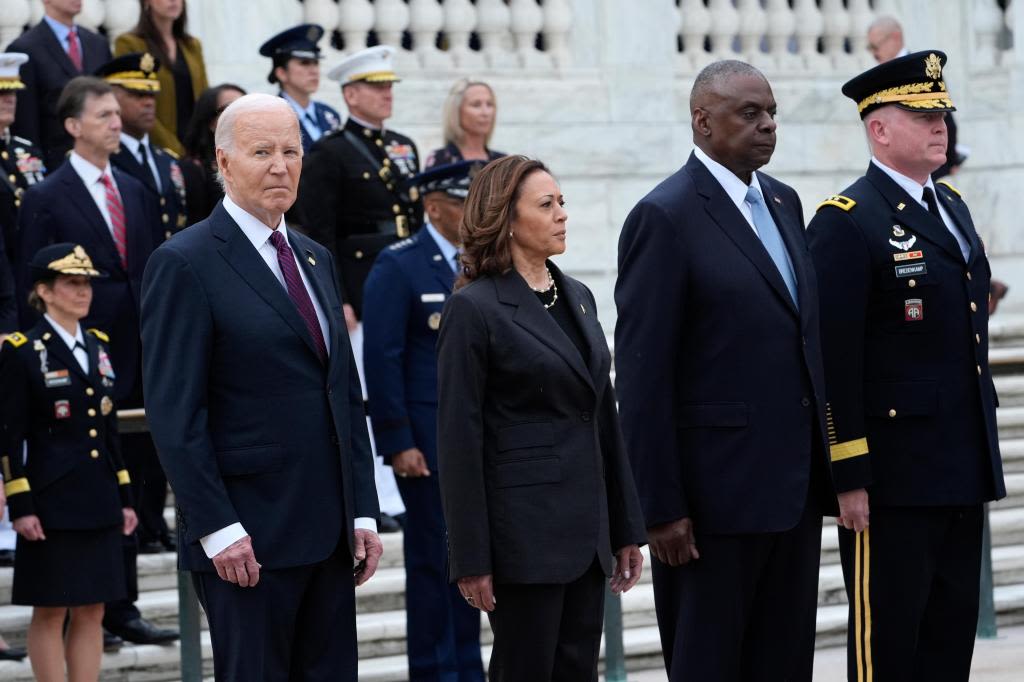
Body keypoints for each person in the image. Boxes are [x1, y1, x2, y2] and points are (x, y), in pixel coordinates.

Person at [140, 93, 383, 681]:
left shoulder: (315, 257)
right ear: (223, 163)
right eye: (262, 152)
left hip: (328, 535)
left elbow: (343, 395)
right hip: (246, 539)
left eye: (291, 151)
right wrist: (218, 528)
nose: (281, 165)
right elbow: (176, 415)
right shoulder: (186, 261)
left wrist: (364, 512)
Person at [614, 60, 836, 681]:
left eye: (771, 114)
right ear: (702, 121)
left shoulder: (786, 203)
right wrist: (659, 507)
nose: (767, 126)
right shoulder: (665, 215)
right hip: (710, 506)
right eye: (750, 114)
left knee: (784, 663)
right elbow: (642, 374)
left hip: (789, 492)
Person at [807, 50, 1006, 682]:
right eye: (921, 114)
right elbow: (832, 357)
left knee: (949, 643)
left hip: (959, 461)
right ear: (879, 129)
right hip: (891, 476)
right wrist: (849, 472)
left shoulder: (950, 207)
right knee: (888, 645)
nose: (940, 124)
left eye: (942, 113)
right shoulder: (847, 220)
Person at [436, 155, 646, 681]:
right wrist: (470, 557)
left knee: (578, 671)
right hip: (522, 537)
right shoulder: (474, 309)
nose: (562, 215)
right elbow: (459, 441)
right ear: (506, 219)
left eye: (563, 203)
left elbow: (602, 416)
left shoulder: (577, 296)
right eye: (546, 205)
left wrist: (624, 527)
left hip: (586, 530)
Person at [14, 75, 177, 648]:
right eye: (104, 115)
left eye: (117, 113)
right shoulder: (45, 195)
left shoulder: (133, 188)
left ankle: (120, 601)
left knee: (135, 466)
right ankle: (95, 605)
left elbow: (155, 270)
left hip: (136, 348)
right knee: (90, 469)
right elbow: (26, 283)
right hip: (72, 356)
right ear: (72, 126)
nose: (117, 121)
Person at [363, 161, 485, 681]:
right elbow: (382, 358)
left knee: (471, 562)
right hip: (425, 443)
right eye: (463, 204)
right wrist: (397, 441)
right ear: (434, 206)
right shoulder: (400, 265)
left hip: (473, 441)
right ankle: (435, 671)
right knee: (432, 564)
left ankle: (467, 667)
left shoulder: (479, 261)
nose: (473, 214)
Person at [296, 44, 420, 532]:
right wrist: (336, 296)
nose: (386, 95)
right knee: (371, 393)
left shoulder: (402, 146)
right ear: (350, 94)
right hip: (362, 288)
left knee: (409, 383)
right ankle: (382, 495)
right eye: (375, 87)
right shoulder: (329, 152)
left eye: (389, 86)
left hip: (407, 281)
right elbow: (319, 230)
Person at [0, 242, 136, 681]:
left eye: (86, 284)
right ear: (45, 291)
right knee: (51, 607)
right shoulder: (23, 350)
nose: (83, 292)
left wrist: (125, 497)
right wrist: (20, 505)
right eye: (71, 284)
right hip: (51, 499)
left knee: (93, 607)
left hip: (96, 497)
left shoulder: (97, 345)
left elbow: (108, 429)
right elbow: (8, 437)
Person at [98, 52, 184, 555]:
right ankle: (138, 522)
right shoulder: (112, 165)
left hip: (163, 307)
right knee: (128, 427)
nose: (146, 102)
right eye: (134, 94)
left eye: (151, 93)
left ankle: (155, 519)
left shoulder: (167, 164)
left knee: (159, 418)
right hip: (123, 317)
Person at [6, 0, 112, 171]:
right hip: (54, 166)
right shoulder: (25, 48)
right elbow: (26, 124)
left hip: (99, 163)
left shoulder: (97, 44)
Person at [114, 0, 208, 157]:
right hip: (155, 147)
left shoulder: (192, 45)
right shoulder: (129, 43)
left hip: (196, 147)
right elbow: (133, 103)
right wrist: (175, 150)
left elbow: (205, 97)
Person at [1, 52, 46, 334]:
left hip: (29, 269)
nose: (10, 99)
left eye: (13, 92)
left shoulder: (25, 150)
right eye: (2, 92)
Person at [259, 24, 341, 154]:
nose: (314, 71)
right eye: (304, 63)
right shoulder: (270, 117)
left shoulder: (329, 114)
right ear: (281, 73)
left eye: (316, 63)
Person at [180, 83, 244, 227]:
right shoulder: (192, 169)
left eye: (246, 109)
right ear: (211, 122)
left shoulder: (263, 161)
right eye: (230, 110)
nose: (242, 116)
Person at [424, 79, 503, 170]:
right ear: (456, 111)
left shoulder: (502, 163)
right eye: (476, 105)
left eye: (490, 104)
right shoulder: (439, 160)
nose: (485, 113)